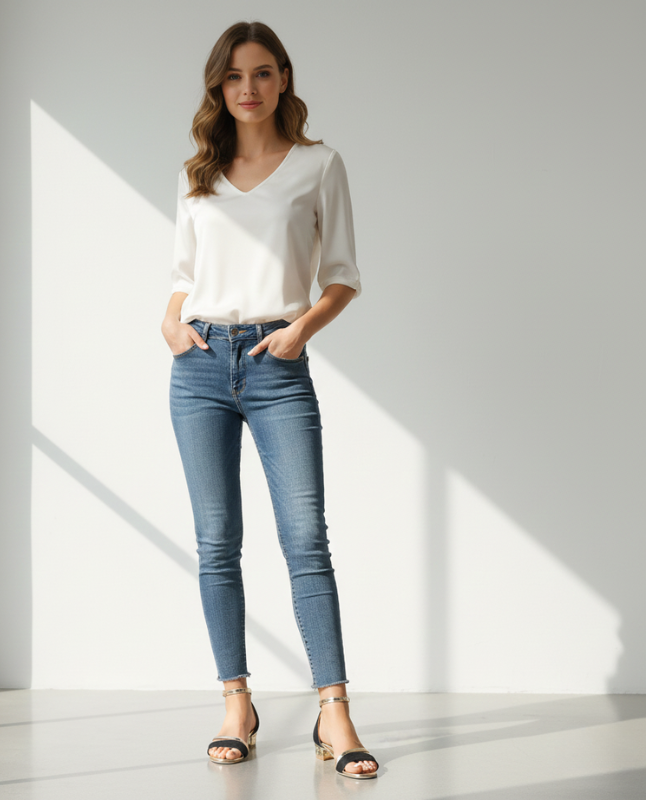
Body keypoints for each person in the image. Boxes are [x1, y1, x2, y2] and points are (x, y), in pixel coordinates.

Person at [161, 20, 378, 780]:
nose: (246, 89)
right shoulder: (200, 172)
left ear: (283, 78)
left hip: (276, 364)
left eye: (260, 73)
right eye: (231, 78)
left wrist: (299, 330)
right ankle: (236, 703)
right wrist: (169, 320)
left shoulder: (319, 165)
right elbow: (183, 271)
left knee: (304, 538)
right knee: (216, 541)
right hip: (198, 367)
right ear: (217, 89)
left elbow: (343, 273)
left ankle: (335, 708)